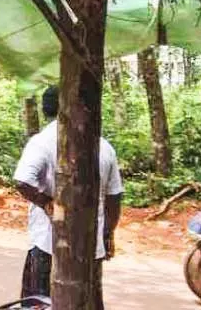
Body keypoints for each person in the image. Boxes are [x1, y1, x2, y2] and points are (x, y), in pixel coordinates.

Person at [13, 86, 123, 307]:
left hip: (48, 242)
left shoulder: (41, 142)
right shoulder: (103, 146)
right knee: (88, 300)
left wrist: (46, 202)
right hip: (91, 246)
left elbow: (22, 180)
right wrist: (108, 233)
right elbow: (114, 196)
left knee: (39, 301)